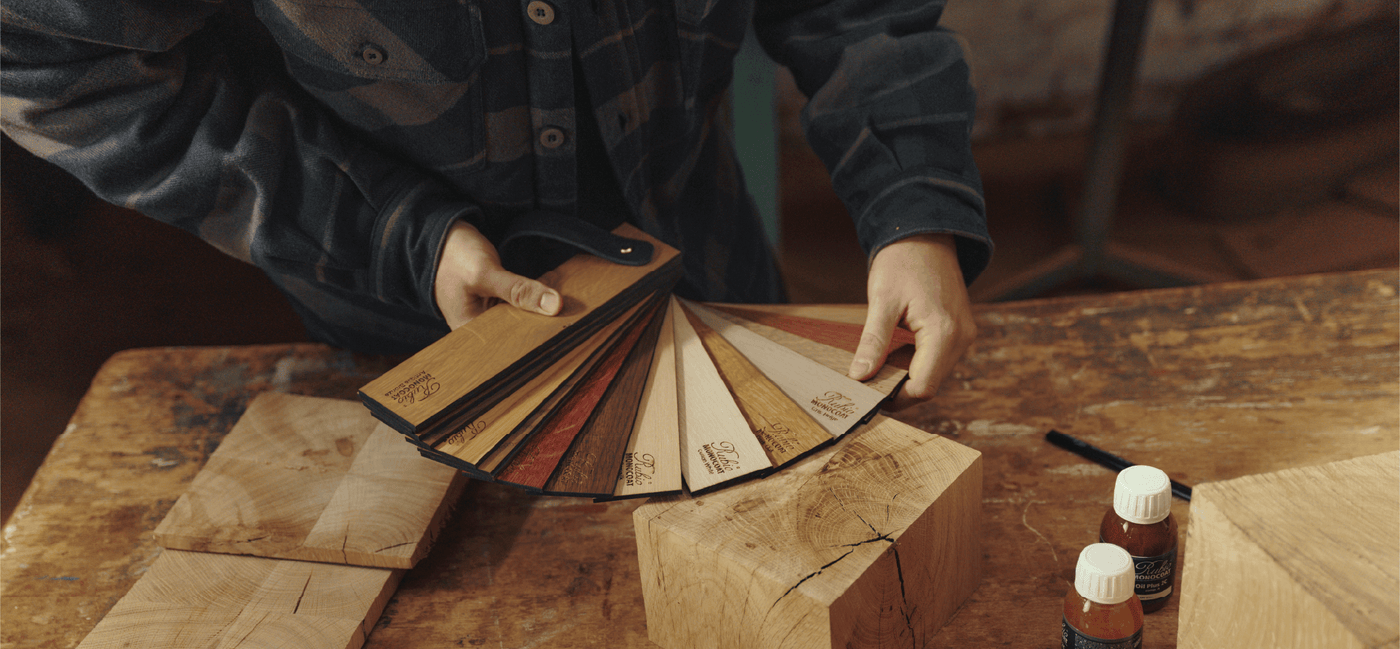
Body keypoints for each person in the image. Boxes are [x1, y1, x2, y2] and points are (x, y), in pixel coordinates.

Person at [1, 0, 990, 400]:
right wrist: (394, 234)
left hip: (708, 282)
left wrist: (912, 204)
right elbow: (49, 69)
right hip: (403, 340)